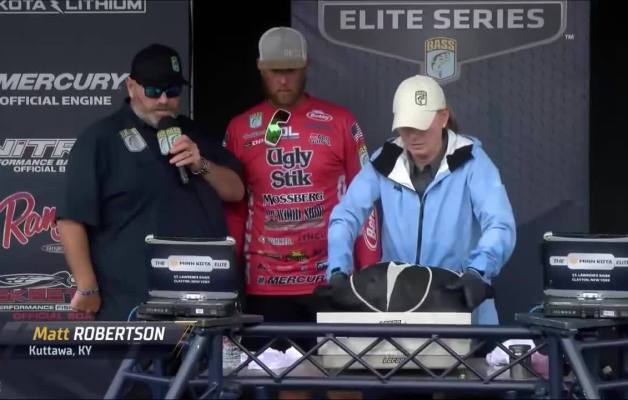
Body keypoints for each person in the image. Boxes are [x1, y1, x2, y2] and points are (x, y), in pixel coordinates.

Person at [57, 43, 244, 320]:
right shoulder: (100, 139)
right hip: (132, 302)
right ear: (131, 87)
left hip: (201, 297)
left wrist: (200, 164)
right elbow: (71, 219)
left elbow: (235, 191)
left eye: (173, 91)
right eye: (154, 90)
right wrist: (87, 287)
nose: (164, 100)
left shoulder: (192, 133)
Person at [224, 27, 380, 339]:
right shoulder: (240, 129)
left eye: (291, 71)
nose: (283, 80)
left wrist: (369, 273)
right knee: (276, 371)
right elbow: (234, 211)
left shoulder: (340, 122)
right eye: (275, 71)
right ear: (260, 68)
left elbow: (365, 202)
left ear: (307, 66)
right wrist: (229, 277)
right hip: (265, 284)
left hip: (332, 279)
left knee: (338, 370)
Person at [326, 74, 516, 324]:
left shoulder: (473, 161)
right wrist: (338, 270)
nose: (413, 135)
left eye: (421, 126)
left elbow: (500, 224)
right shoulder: (385, 160)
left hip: (459, 298)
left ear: (443, 117)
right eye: (406, 127)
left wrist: (477, 272)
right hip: (397, 305)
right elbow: (346, 215)